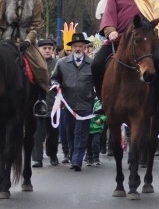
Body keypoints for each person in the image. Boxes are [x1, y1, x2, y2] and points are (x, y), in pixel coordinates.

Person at [0, 0, 50, 117]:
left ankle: (40, 101)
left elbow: (36, 24)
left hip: (26, 41)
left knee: (42, 67)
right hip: (4, 40)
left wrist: (28, 40)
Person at [50, 33, 94, 172]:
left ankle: (77, 160)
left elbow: (99, 82)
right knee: (70, 133)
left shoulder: (92, 64)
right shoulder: (62, 63)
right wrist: (55, 85)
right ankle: (73, 155)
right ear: (71, 48)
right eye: (75, 46)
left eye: (81, 46)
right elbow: (54, 78)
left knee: (81, 133)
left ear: (86, 47)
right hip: (67, 105)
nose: (78, 48)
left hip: (85, 103)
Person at [32, 39, 60, 167]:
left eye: (50, 48)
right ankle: (37, 158)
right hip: (37, 104)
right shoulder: (34, 64)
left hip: (54, 103)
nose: (47, 50)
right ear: (39, 50)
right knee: (38, 133)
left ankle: (52, 154)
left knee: (53, 133)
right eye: (45, 48)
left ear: (53, 50)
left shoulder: (58, 64)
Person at [85, 97, 106, 167]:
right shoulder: (85, 102)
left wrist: (101, 119)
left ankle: (96, 158)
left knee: (95, 143)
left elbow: (106, 113)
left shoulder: (100, 102)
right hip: (87, 127)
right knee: (88, 144)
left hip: (97, 128)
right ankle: (89, 158)